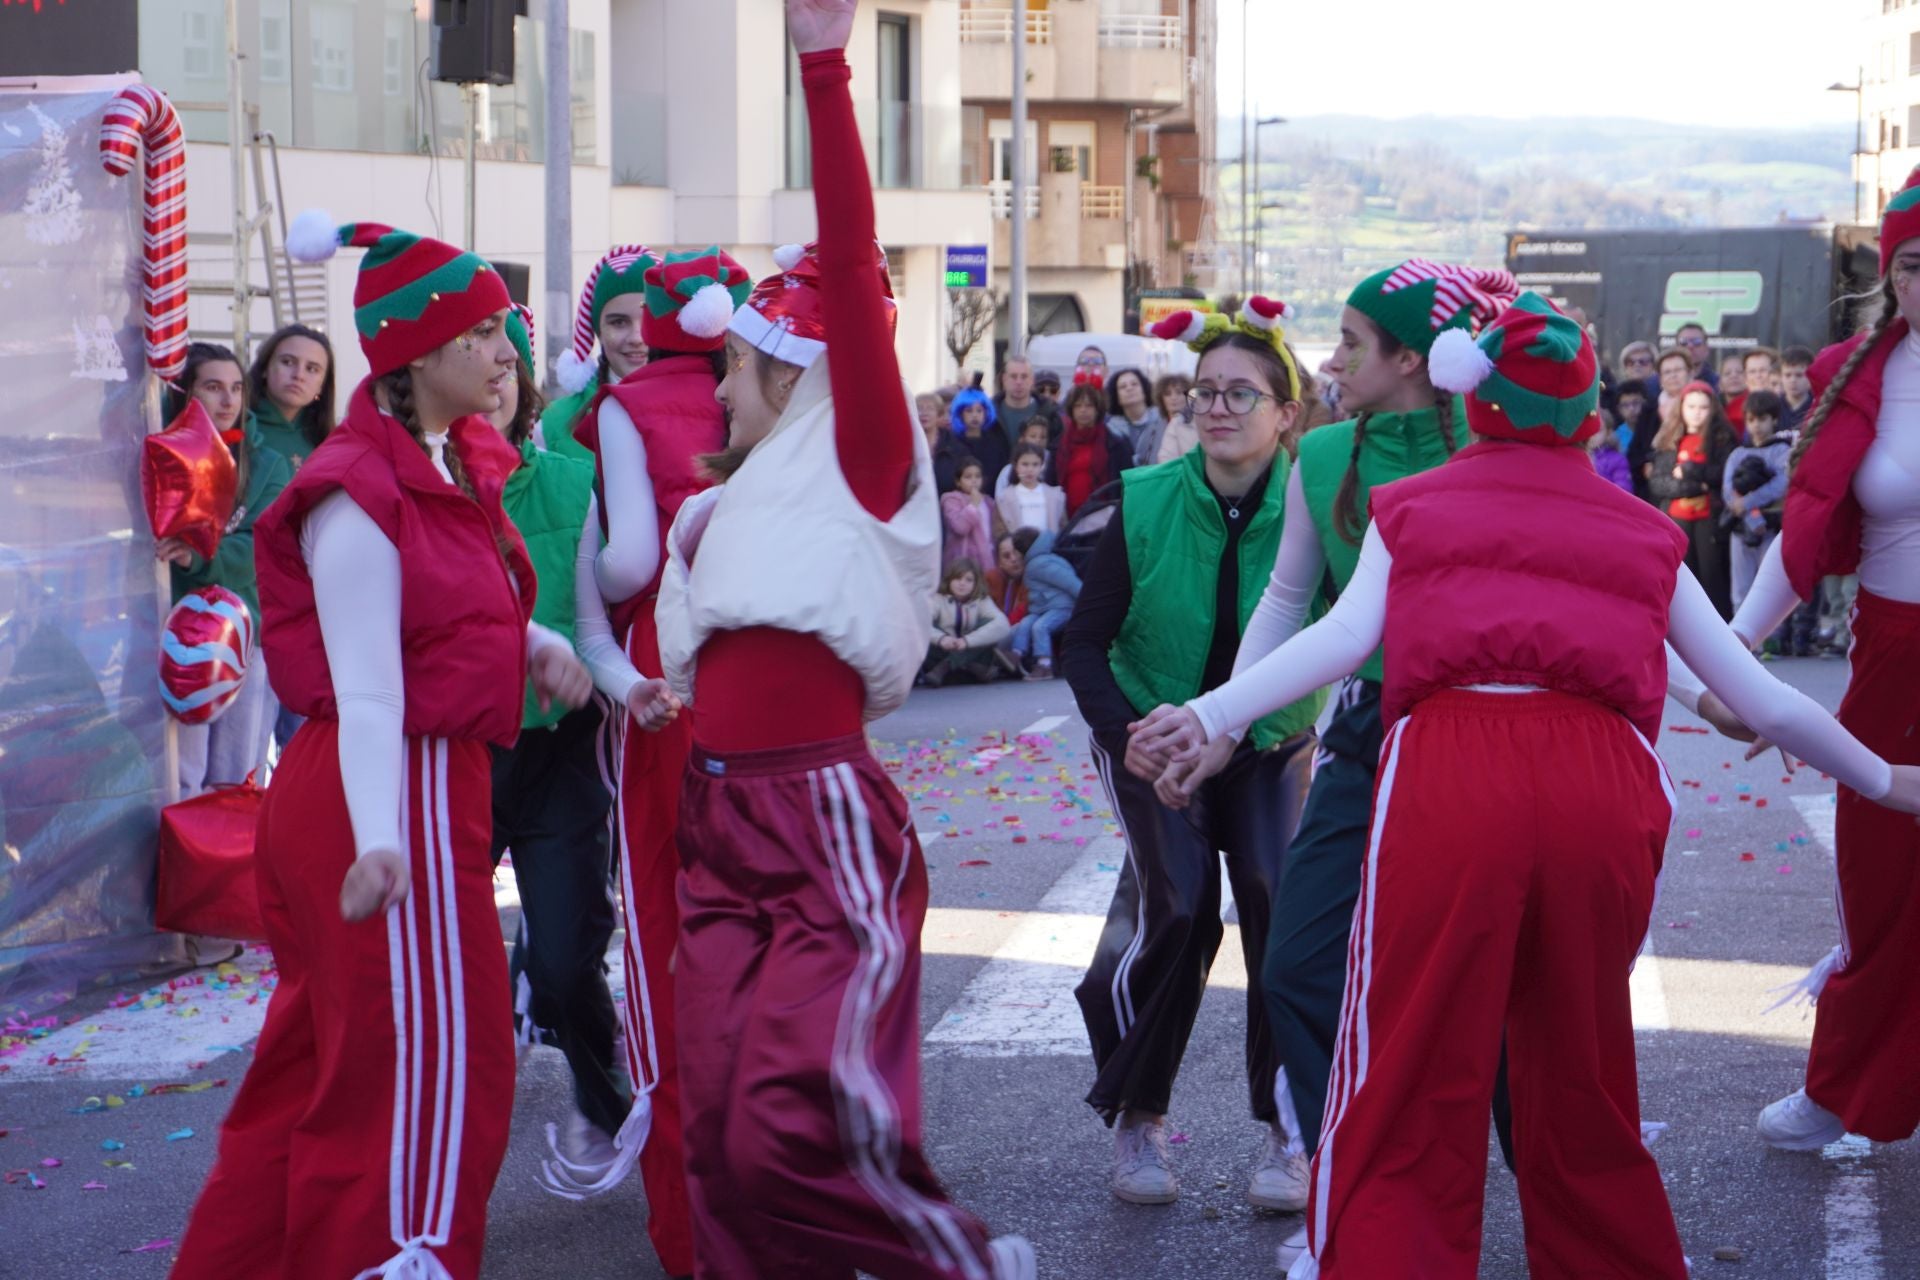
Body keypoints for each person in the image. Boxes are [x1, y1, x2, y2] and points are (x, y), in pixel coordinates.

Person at [1133, 291, 1920, 1279]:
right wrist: (1888, 779)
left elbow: (1338, 636)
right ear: (1590, 410)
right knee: (1580, 1066)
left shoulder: (1413, 506)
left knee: (1413, 1051)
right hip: (1603, 780)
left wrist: (1210, 714)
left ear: (1477, 393)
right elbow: (1763, 698)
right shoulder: (1640, 529)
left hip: (1453, 766)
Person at [643, 4, 1033, 1275]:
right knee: (708, 1126)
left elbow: (855, 261)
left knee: (785, 1127)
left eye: (735, 369)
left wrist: (823, 66)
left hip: (819, 818)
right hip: (714, 814)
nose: (714, 389)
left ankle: (961, 1263)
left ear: (790, 371)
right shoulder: (719, 508)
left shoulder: (866, 454)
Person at [172, 218, 594, 1280]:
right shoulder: (361, 486)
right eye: (487, 332)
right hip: (386, 789)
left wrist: (536, 641)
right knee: (425, 1066)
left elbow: (441, 613)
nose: (509, 353)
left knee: (328, 1061)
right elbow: (366, 687)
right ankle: (393, 1259)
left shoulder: (443, 462)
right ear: (421, 354)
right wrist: (379, 841)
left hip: (409, 785)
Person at [1167, 262, 1516, 1257]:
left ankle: (1523, 1180)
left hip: (1471, 738)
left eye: (1354, 342)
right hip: (1363, 732)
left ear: (1414, 360)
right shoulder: (1322, 455)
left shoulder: (1491, 454)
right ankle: (1363, 1175)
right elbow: (1287, 603)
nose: (1330, 358)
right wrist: (1219, 726)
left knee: (1490, 982)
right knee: (1300, 964)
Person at [1059, 296, 1327, 1211]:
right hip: (1150, 731)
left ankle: (1290, 1131)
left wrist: (1234, 733)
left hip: (1268, 736)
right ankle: (1138, 1113)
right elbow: (1083, 643)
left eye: (1240, 394)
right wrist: (1139, 736)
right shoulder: (1142, 502)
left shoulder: (1317, 506)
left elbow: (1329, 641)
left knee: (1278, 901)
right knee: (1176, 908)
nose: (1216, 408)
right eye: (1204, 392)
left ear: (1287, 413)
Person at [553, 248, 750, 1277]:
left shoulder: (632, 404)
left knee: (667, 925)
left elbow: (629, 560)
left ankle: (686, 1215)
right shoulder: (783, 385)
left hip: (665, 669)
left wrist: (567, 556)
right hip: (771, 664)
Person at [1724, 170, 1920, 1156]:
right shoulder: (1857, 375)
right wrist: (1731, 655)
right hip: (1893, 656)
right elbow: (1802, 537)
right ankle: (1843, 1086)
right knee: (1879, 879)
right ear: (1893, 275)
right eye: (1919, 264)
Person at [480, 305, 629, 1200]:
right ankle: (436, 1151)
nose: (492, 380)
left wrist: (626, 686)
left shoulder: (574, 481)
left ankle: (606, 1105)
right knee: (444, 973)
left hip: (562, 748)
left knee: (569, 959)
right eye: (474, 361)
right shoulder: (413, 484)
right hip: (457, 749)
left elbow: (597, 624)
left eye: (506, 365)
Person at [157, 342, 294, 796]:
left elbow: (260, 547)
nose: (228, 400)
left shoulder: (268, 465)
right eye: (213, 388)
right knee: (181, 773)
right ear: (185, 392)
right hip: (176, 635)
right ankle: (177, 864)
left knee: (235, 778)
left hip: (242, 636)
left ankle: (223, 863)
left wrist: (200, 556)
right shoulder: (162, 452)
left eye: (236, 388)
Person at [542, 243, 657, 462]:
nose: (636, 337)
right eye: (619, 322)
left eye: (649, 319)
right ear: (598, 331)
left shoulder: (706, 405)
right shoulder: (554, 423)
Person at [1648, 380, 1738, 617]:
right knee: (1683, 583)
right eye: (1691, 407)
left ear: (1712, 410)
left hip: (1711, 520)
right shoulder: (1669, 440)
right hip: (1677, 520)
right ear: (1681, 409)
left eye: (1703, 407)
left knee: (1712, 579)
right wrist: (1698, 486)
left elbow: (1724, 475)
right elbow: (1659, 483)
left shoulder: (1723, 440)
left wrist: (1689, 470)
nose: (1697, 413)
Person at [1723, 389, 1790, 616]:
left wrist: (1750, 502)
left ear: (1774, 419)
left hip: (1771, 526)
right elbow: (1728, 491)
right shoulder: (1738, 454)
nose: (1756, 426)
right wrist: (1752, 515)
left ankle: (1771, 638)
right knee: (1741, 585)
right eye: (1751, 420)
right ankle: (1739, 638)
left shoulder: (1781, 451)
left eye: (1762, 419)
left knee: (1768, 584)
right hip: (1742, 527)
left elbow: (1782, 483)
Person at [246, 323, 335, 471]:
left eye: (312, 369)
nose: (298, 375)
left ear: (322, 385)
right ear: (265, 368)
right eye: (287, 362)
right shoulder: (240, 427)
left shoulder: (328, 441)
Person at [1048, 382, 1134, 517]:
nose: (1083, 410)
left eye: (1089, 405)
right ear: (1071, 409)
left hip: (1105, 516)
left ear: (1098, 409)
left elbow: (1126, 485)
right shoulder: (1058, 445)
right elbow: (1051, 482)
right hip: (1066, 518)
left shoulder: (1116, 444)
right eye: (1078, 406)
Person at [923, 558, 1013, 686]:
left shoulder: (981, 600)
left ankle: (946, 667)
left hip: (970, 649)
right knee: (926, 627)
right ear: (949, 579)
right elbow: (919, 624)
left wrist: (967, 641)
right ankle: (970, 667)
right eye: (957, 578)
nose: (962, 583)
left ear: (976, 583)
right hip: (942, 651)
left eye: (968, 580)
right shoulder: (938, 599)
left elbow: (1003, 625)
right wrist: (941, 638)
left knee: (989, 624)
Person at [1010, 528, 1079, 679]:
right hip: (1044, 607)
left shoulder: (1041, 564)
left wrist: (1084, 599)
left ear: (1023, 550)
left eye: (1015, 552)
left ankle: (1044, 665)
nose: (1013, 558)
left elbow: (1069, 582)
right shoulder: (1034, 563)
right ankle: (1015, 653)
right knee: (1026, 623)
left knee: (1040, 626)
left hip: (1062, 607)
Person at [942, 456, 1002, 571]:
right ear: (958, 482)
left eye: (977, 476)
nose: (974, 480)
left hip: (987, 561)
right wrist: (973, 505)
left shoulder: (988, 502)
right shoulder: (951, 500)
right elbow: (960, 527)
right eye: (968, 477)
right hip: (963, 561)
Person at [995, 353, 1061, 450]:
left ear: (1032, 380)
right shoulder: (988, 414)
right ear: (1004, 379)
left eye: (1024, 376)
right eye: (1013, 376)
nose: (1019, 382)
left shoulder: (1050, 414)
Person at [948, 385, 1010, 490]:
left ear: (986, 413)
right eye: (969, 411)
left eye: (979, 411)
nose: (975, 415)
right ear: (960, 414)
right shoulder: (952, 443)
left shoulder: (995, 443)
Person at [997, 442, 1065, 535]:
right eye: (1025, 464)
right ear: (1016, 466)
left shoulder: (1056, 496)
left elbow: (1062, 526)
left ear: (1042, 466)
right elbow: (1000, 530)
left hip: (1047, 547)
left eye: (1035, 464)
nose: (1030, 469)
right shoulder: (1004, 497)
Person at [1106, 366, 1164, 462]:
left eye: (1134, 384)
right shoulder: (1111, 429)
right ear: (1116, 396)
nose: (1129, 388)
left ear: (1144, 390)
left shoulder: (1162, 419)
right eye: (1122, 387)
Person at [995, 418, 1054, 491]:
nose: (1038, 440)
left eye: (1043, 437)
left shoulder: (1053, 464)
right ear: (1022, 439)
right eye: (1033, 436)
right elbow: (1000, 497)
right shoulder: (1009, 470)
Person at [987, 529, 1031, 626]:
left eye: (1016, 552)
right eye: (1007, 556)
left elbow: (1022, 611)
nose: (1013, 559)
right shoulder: (991, 579)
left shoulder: (1032, 576)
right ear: (999, 563)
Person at [1589, 405, 1634, 492]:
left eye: (1598, 430)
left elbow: (1624, 490)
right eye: (1589, 429)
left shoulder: (1617, 460)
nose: (1592, 435)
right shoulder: (1576, 457)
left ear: (1608, 432)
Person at [1779, 344, 1815, 436]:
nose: (1793, 380)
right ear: (1781, 377)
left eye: (1799, 375)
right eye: (1787, 375)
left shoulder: (1817, 407)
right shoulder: (1772, 407)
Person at [1675, 320, 1717, 386]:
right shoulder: (1658, 382)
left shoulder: (1718, 383)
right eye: (1684, 342)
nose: (1690, 346)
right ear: (1676, 349)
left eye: (1697, 342)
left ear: (1706, 349)